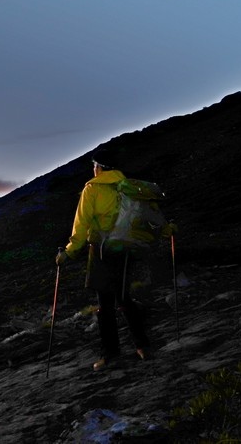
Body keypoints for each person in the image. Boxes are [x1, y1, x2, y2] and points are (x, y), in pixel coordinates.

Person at [55, 148, 150, 371]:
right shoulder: (127, 187)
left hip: (101, 251)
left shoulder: (92, 189)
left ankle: (111, 354)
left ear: (99, 167)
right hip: (126, 247)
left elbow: (81, 225)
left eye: (94, 165)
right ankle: (143, 347)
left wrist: (68, 252)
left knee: (105, 305)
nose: (93, 169)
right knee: (125, 298)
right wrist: (165, 230)